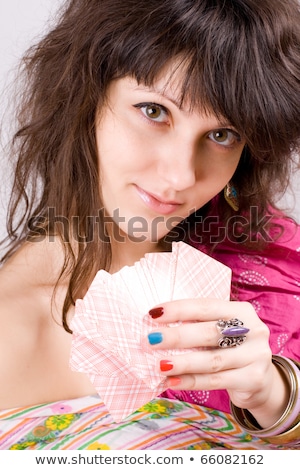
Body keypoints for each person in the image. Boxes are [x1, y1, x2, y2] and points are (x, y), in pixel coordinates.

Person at [0, 0, 299, 447]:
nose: (180, 176)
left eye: (222, 135)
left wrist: (275, 395)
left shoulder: (275, 275)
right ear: (86, 98)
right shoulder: (12, 320)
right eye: (154, 111)